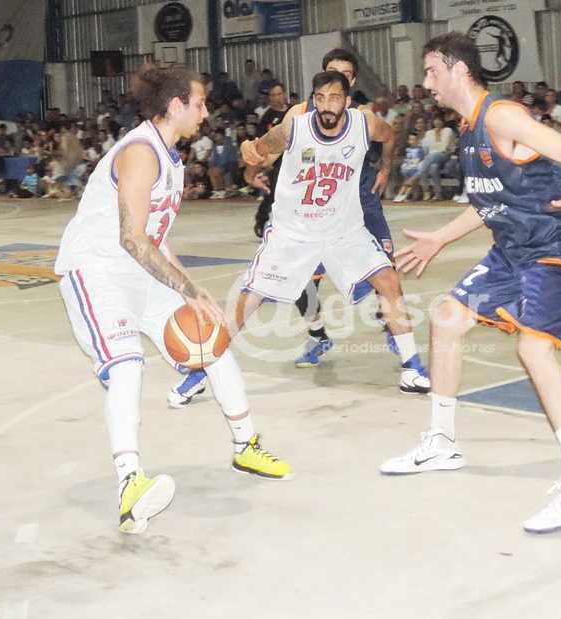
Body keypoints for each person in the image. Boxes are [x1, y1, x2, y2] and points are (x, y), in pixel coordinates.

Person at [380, 33, 561, 535]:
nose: (426, 82)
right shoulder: (469, 130)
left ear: (458, 70)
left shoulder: (500, 116)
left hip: (555, 244)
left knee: (534, 350)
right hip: (512, 249)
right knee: (446, 319)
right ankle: (442, 442)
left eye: (431, 71)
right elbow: (489, 201)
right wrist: (440, 239)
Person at [54, 64, 291, 535]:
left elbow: (156, 239)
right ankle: (130, 485)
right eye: (199, 104)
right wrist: (185, 287)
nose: (205, 113)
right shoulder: (140, 153)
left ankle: (245, 446)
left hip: (141, 271)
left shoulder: (172, 157)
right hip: (98, 271)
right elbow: (131, 238)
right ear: (176, 104)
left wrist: (191, 289)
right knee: (127, 366)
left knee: (211, 336)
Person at [230, 72, 427, 391]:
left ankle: (412, 368)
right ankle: (203, 365)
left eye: (334, 98)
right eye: (320, 98)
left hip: (342, 229)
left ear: (347, 101)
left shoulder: (364, 124)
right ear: (313, 100)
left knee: (389, 281)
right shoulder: (295, 127)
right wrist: (251, 171)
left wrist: (386, 168)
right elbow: (259, 150)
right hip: (295, 231)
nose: (326, 105)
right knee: (251, 297)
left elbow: (389, 134)